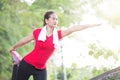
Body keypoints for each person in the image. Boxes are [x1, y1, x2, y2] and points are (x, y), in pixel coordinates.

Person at [10, 11, 101, 80]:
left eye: (56, 19)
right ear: (46, 20)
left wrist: (91, 25)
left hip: (41, 69)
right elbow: (24, 40)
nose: (55, 20)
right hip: (27, 64)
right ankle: (17, 66)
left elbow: (73, 28)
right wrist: (14, 47)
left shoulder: (57, 35)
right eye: (53, 18)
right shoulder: (37, 32)